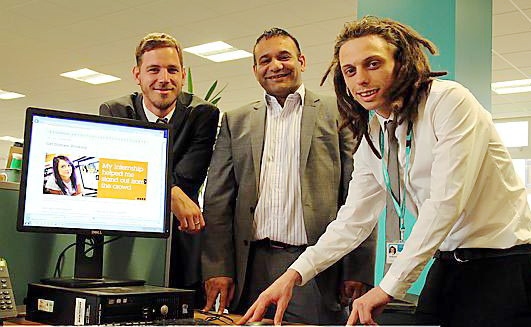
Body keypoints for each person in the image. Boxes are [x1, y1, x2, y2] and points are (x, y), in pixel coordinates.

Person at [239, 16, 531, 327]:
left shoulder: (449, 102)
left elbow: (445, 203)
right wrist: (295, 274)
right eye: (350, 70)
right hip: (449, 261)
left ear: (401, 63)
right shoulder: (375, 131)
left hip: (505, 261)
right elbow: (353, 219)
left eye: (373, 64)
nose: (360, 79)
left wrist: (387, 288)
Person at [201, 27, 376, 325]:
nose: (275, 65)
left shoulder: (340, 111)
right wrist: (218, 267)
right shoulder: (236, 121)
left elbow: (359, 196)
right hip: (250, 266)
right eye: (265, 60)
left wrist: (358, 269)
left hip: (315, 267)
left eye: (284, 56)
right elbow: (218, 200)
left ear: (302, 61)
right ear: (255, 69)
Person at [99, 32, 220, 306]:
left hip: (180, 244)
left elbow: (188, 178)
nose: (163, 78)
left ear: (182, 73)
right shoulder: (116, 111)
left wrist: (169, 189)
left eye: (172, 69)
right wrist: (172, 193)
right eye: (153, 69)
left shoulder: (202, 114)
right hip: (125, 244)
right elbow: (120, 177)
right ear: (137, 74)